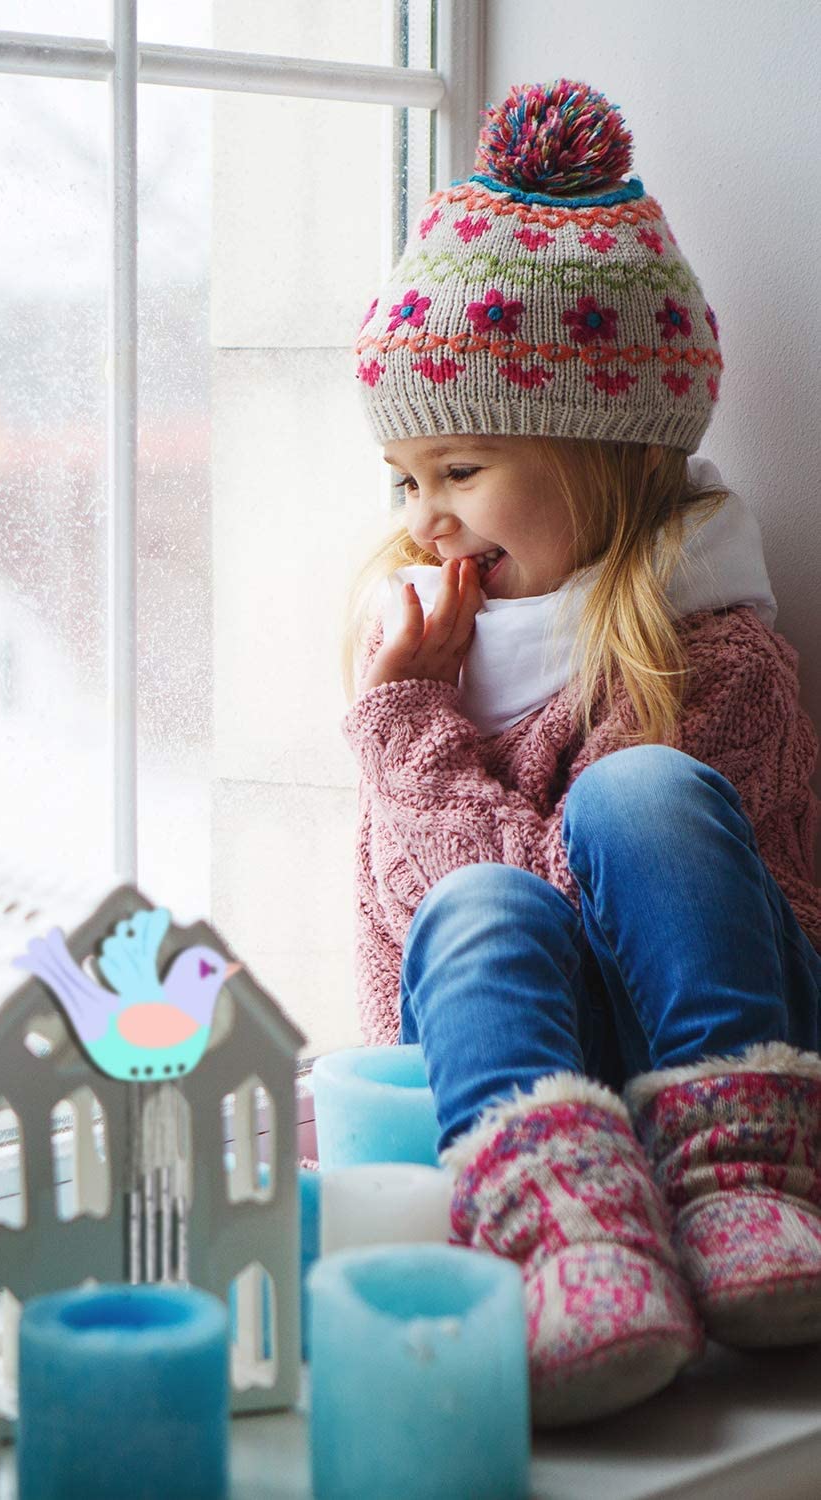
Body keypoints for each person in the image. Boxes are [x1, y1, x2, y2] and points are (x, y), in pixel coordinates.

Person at [341, 78, 821, 1429]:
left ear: (603, 453)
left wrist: (431, 748)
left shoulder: (712, 654)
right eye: (407, 479)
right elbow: (424, 940)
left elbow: (602, 900)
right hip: (534, 1093)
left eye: (465, 469)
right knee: (476, 903)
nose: (428, 520)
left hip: (729, 1049)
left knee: (639, 793)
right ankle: (567, 1252)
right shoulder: (421, 665)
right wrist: (410, 727)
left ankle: (747, 1194)